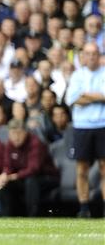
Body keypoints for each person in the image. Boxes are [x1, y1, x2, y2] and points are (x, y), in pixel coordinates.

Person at [64, 42, 105, 218]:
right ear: (83, 56)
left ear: (99, 55)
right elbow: (71, 99)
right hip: (82, 126)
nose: (91, 57)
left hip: (102, 124)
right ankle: (83, 207)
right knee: (82, 168)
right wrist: (96, 96)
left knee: (104, 167)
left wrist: (84, 95)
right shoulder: (77, 75)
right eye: (88, 54)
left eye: (94, 54)